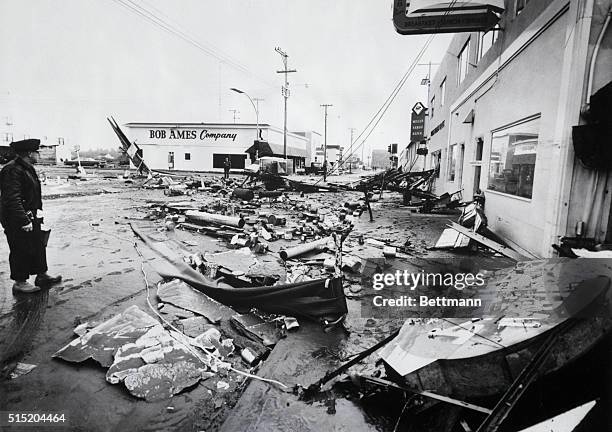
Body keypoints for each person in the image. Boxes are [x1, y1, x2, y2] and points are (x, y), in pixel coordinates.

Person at [0, 139, 62, 293]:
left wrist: (37, 212)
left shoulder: (27, 168)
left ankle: (41, 275)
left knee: (38, 244)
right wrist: (23, 220)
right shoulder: (12, 170)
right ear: (29, 153)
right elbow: (12, 198)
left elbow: (31, 192)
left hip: (31, 214)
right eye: (36, 151)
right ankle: (20, 282)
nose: (38, 154)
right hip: (16, 217)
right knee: (20, 247)